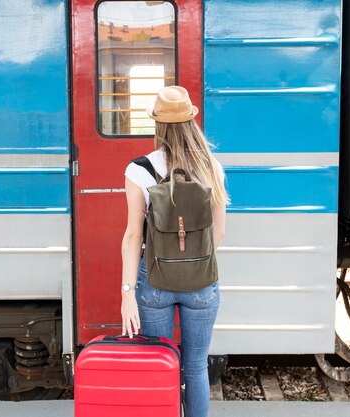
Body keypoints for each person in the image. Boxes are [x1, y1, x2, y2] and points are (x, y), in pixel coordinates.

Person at [120, 85, 228, 417]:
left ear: (158, 125)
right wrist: (192, 265)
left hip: (154, 283)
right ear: (191, 122)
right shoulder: (212, 167)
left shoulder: (140, 170)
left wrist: (127, 292)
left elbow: (132, 236)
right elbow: (217, 233)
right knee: (195, 366)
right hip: (201, 285)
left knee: (160, 366)